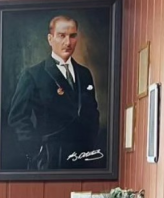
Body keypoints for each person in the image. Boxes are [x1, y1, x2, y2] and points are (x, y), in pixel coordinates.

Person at [8, 15, 101, 171]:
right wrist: (36, 151)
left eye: (72, 36)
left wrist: (89, 144)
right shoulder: (33, 75)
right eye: (62, 36)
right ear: (50, 39)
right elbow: (17, 118)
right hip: (49, 161)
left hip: (82, 160)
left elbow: (92, 112)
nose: (68, 42)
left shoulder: (84, 74)